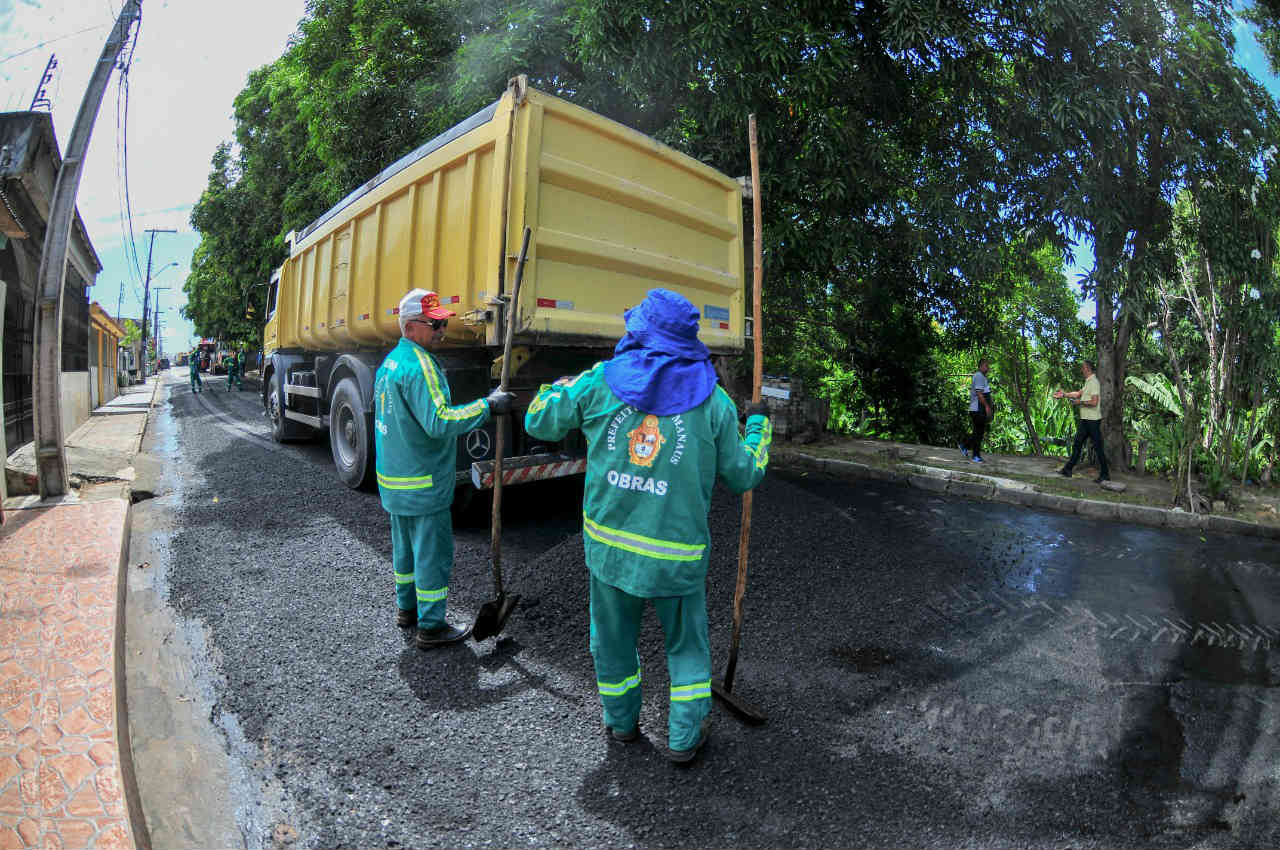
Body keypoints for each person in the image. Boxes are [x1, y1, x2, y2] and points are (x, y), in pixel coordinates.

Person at [524, 289, 771, 764]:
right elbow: (744, 474)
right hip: (676, 558)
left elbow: (539, 420)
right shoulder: (715, 403)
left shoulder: (600, 382)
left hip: (610, 552)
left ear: (640, 333)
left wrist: (553, 388)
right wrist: (758, 430)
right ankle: (683, 737)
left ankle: (621, 724)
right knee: (687, 647)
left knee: (612, 642)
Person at [374, 288, 515, 649]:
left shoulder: (390, 362)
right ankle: (432, 627)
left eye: (442, 322)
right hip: (423, 485)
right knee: (432, 557)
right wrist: (488, 406)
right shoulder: (421, 366)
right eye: (433, 324)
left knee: (404, 552)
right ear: (410, 328)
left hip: (395, 482)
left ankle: (406, 611)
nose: (441, 330)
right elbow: (439, 421)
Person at [1054, 359, 1110, 483]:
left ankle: (1105, 474)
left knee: (1098, 447)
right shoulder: (1088, 382)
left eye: (1083, 367)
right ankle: (1068, 469)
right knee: (1077, 444)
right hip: (1086, 420)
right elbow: (1078, 394)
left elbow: (1094, 402)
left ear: (1088, 368)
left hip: (1093, 421)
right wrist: (1064, 395)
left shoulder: (1094, 382)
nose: (1081, 369)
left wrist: (1081, 403)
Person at [959, 358, 993, 464]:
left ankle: (967, 448)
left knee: (978, 432)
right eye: (986, 366)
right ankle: (974, 454)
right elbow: (979, 394)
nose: (988, 368)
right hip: (977, 409)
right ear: (981, 366)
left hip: (979, 409)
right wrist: (987, 407)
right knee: (978, 432)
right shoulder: (978, 376)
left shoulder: (982, 377)